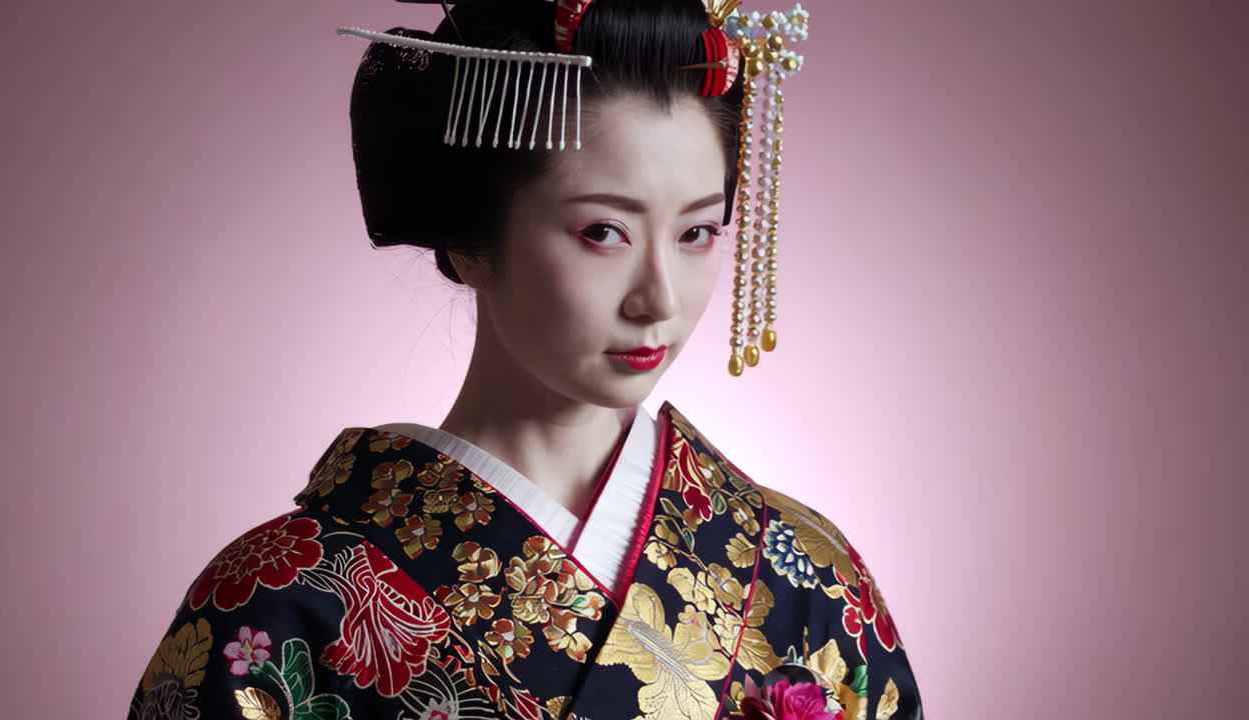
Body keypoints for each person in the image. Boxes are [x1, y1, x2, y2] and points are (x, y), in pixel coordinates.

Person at [128, 1, 923, 718]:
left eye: (696, 233)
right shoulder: (279, 603)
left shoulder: (806, 573)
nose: (659, 297)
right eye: (603, 232)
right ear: (471, 240)